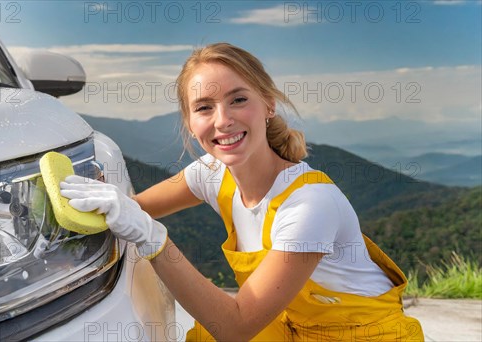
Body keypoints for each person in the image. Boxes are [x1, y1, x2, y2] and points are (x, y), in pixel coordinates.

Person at [60, 42, 424, 341]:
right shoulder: (211, 174)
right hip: (292, 328)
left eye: (238, 99)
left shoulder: (309, 205)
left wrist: (151, 236)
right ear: (190, 122)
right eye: (204, 107)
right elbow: (129, 209)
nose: (222, 120)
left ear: (268, 104)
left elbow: (235, 327)